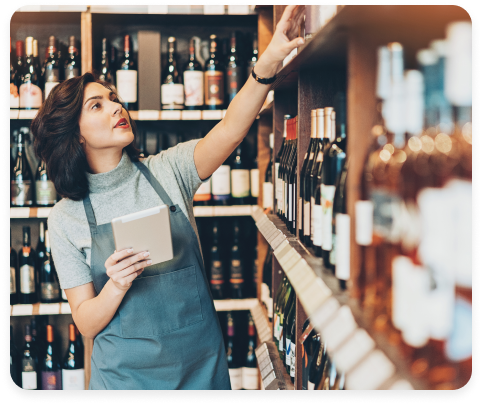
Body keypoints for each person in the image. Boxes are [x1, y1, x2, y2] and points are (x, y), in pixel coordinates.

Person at [31, 6, 305, 390]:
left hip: (201, 370)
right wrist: (116, 284)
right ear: (74, 134)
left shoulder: (168, 170)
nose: (116, 107)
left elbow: (230, 130)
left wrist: (271, 59)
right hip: (125, 380)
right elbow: (85, 321)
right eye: (97, 106)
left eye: (113, 98)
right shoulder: (66, 218)